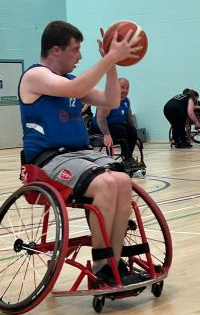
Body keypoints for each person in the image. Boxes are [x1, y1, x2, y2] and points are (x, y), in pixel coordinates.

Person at [18, 20, 144, 288]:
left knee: (122, 180)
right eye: (75, 49)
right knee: (106, 184)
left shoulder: (72, 81)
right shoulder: (35, 76)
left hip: (82, 155)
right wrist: (110, 56)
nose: (80, 56)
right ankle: (102, 267)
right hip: (49, 160)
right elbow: (74, 91)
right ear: (56, 50)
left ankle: (115, 262)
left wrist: (111, 64)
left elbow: (111, 101)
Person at [92, 77, 142, 171]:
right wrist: (106, 134)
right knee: (121, 130)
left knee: (131, 130)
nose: (125, 90)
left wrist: (134, 135)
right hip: (101, 127)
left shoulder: (127, 101)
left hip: (117, 126)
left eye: (127, 88)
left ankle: (128, 158)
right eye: (122, 87)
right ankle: (127, 158)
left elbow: (129, 118)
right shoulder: (108, 99)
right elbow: (101, 119)